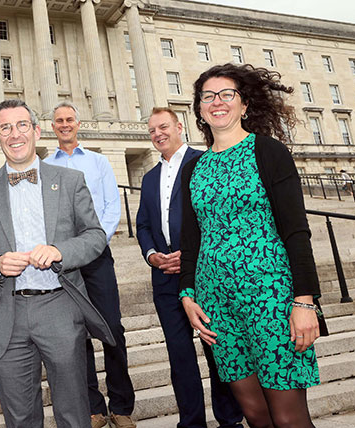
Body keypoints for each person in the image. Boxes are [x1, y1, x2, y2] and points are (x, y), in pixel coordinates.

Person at [179, 63, 322, 428]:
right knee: (256, 415)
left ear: (244, 105)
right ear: (198, 109)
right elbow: (192, 237)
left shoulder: (268, 152)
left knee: (289, 418)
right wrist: (187, 294)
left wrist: (304, 301)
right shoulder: (193, 168)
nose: (217, 102)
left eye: (227, 94)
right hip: (217, 304)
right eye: (208, 96)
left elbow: (296, 231)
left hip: (271, 298)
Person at [0, 99, 115, 428]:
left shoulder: (70, 180)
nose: (14, 134)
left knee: (74, 411)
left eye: (21, 125)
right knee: (19, 416)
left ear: (36, 130)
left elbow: (94, 236)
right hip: (7, 312)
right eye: (5, 128)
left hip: (59, 306)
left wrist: (60, 251)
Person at [135, 107, 244, 428]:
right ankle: (191, 422)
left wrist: (193, 253)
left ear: (179, 126)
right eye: (153, 130)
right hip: (165, 279)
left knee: (217, 351)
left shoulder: (204, 161)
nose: (158, 134)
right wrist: (153, 255)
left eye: (163, 127)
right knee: (180, 358)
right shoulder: (149, 177)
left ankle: (229, 419)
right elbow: (142, 225)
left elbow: (217, 216)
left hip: (203, 275)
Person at [43, 101, 136, 428]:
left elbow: (112, 207)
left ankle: (121, 406)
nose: (65, 125)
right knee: (76, 334)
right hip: (63, 261)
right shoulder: (45, 166)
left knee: (112, 328)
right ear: (52, 127)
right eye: (59, 121)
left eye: (69, 120)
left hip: (96, 255)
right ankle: (94, 408)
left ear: (77, 124)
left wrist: (95, 242)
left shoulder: (98, 162)